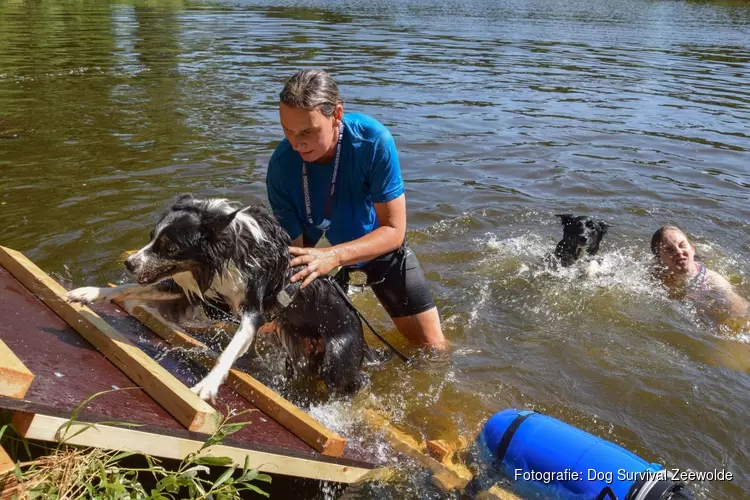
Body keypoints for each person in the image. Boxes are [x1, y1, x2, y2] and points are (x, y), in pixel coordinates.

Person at [265, 69, 446, 349]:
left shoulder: (374, 142)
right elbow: (295, 253)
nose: (296, 143)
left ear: (337, 115)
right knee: (307, 350)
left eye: (307, 132)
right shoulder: (280, 167)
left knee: (433, 349)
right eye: (287, 131)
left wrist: (335, 256)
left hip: (375, 248)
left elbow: (394, 231)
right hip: (314, 258)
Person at [650, 225, 749, 321]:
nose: (679, 252)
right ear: (659, 259)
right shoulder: (655, 275)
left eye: (682, 245)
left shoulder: (714, 283)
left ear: (692, 249)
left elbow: (744, 316)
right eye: (669, 249)